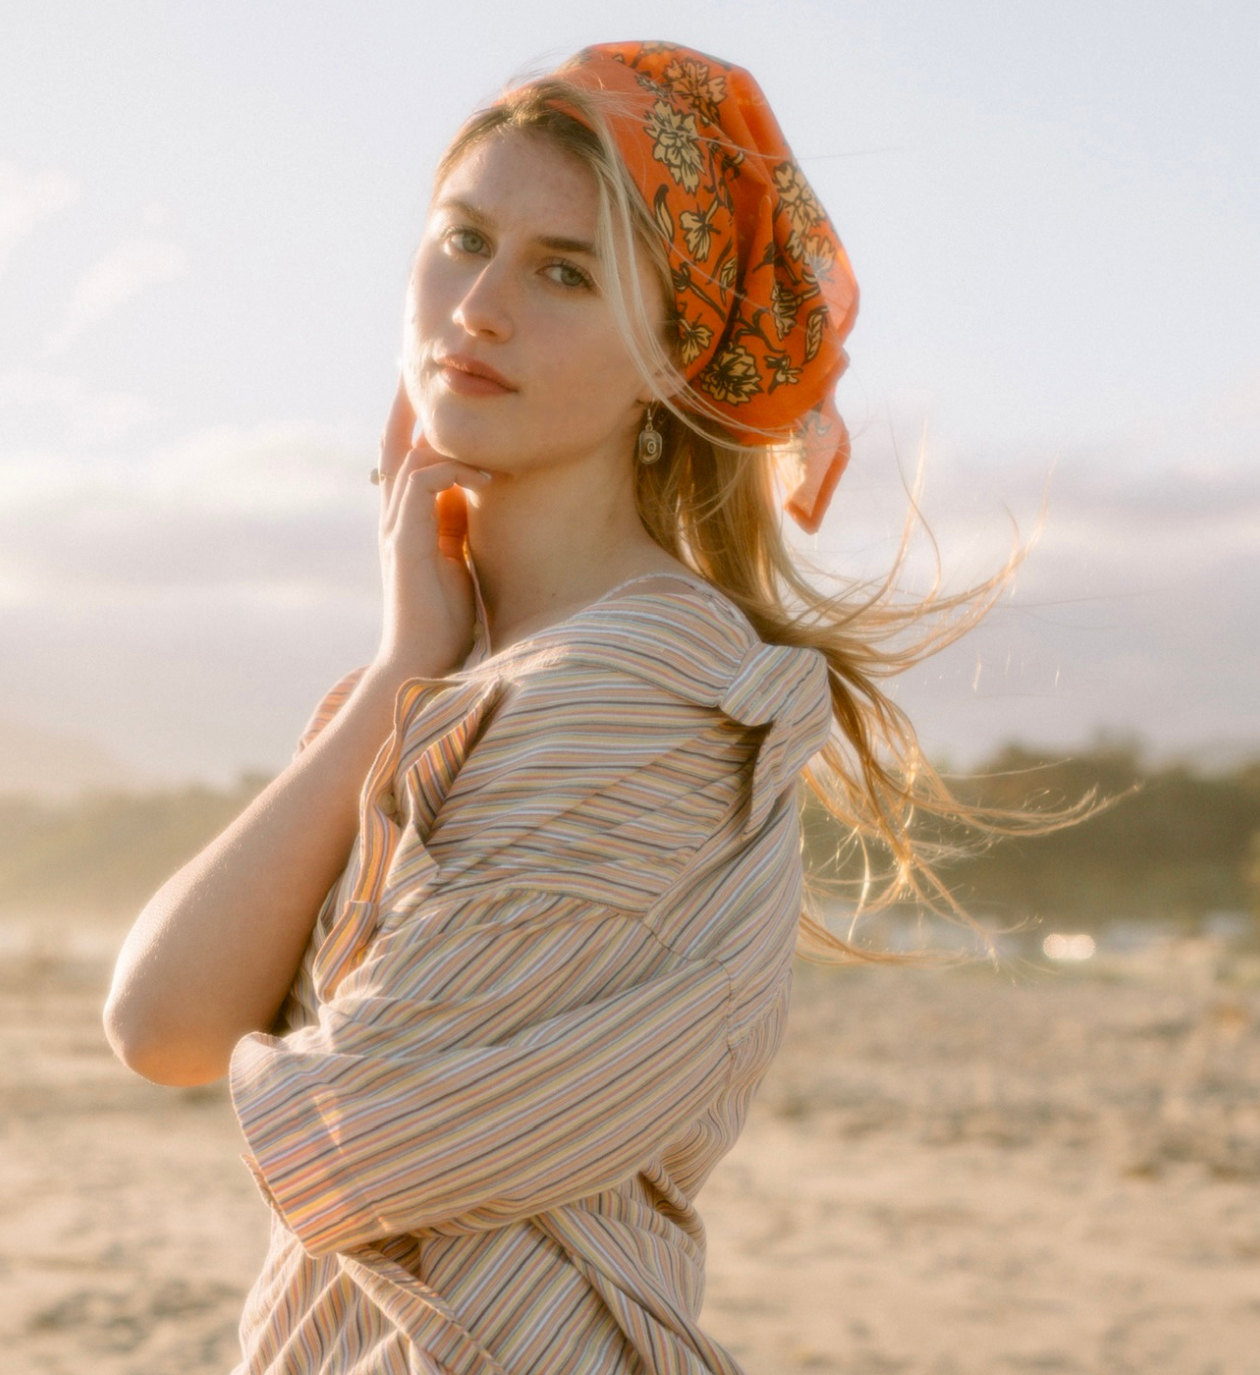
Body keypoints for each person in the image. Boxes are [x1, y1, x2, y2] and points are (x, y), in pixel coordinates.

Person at [103, 40, 1037, 1374]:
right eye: (459, 241)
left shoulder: (645, 683)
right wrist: (394, 669)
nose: (474, 307)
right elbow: (162, 1028)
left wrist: (289, 1041)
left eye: (563, 272)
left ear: (672, 357)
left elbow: (350, 1131)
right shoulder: (459, 671)